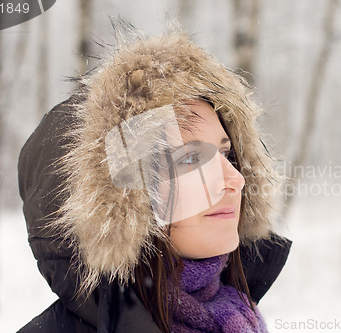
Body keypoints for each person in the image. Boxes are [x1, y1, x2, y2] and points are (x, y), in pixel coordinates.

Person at [17, 25, 291, 333]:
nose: (236, 180)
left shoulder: (241, 318)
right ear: (119, 203)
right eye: (190, 158)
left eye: (226, 155)